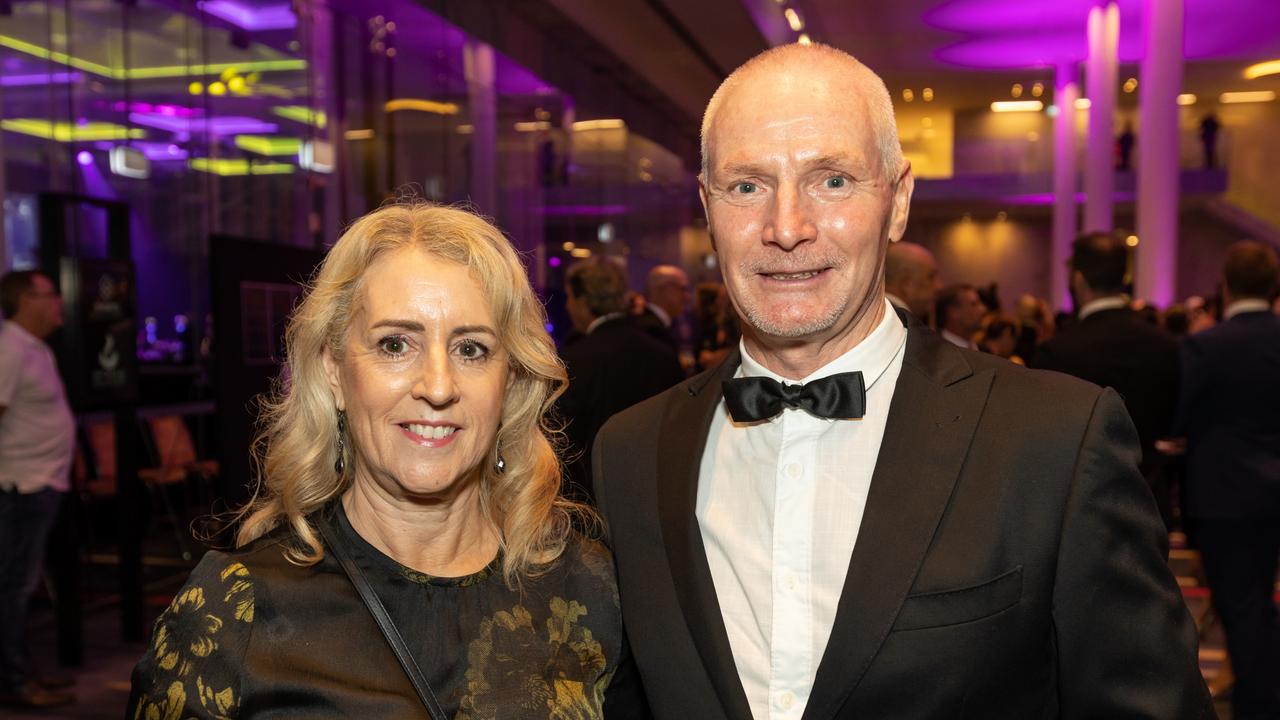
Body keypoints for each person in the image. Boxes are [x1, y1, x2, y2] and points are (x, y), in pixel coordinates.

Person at [591, 43, 1211, 719]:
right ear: (708, 208)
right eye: (748, 186)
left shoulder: (1055, 442)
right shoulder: (630, 453)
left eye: (832, 180)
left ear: (899, 201)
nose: (787, 227)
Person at [129, 204, 645, 718]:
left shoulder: (587, 584)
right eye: (395, 344)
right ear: (333, 372)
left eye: (471, 349)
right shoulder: (236, 607)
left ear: (509, 380)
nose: (438, 387)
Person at [1174, 240, 1280, 720]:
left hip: (1226, 495)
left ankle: (1259, 702)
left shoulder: (1207, 345)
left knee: (1241, 605)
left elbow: (1180, 418)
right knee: (1256, 603)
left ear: (1225, 286)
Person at [1031, 232, 1181, 528]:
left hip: (1077, 502)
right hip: (1146, 493)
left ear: (1078, 279)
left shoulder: (1058, 351)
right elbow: (1171, 417)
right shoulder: (1164, 345)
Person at [0, 271, 76, 709]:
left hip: (40, 482)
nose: (59, 302)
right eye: (50, 294)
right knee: (13, 586)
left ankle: (21, 671)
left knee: (20, 586)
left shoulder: (34, 348)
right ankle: (14, 680)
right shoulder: (9, 348)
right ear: (25, 299)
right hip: (20, 486)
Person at [556, 257, 684, 503]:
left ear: (583, 303)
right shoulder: (661, 352)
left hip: (592, 499)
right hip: (654, 493)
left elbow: (563, 442)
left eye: (570, 297)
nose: (568, 306)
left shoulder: (573, 360)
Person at [634, 264, 691, 354]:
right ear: (666, 289)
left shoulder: (648, 324)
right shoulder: (652, 331)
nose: (688, 297)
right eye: (683, 289)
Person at [882, 241, 938, 323]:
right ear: (906, 284)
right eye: (930, 277)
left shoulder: (872, 315)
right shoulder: (901, 324)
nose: (939, 286)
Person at [935, 282, 985, 349]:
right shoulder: (937, 351)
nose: (983, 309)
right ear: (953, 312)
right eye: (974, 304)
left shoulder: (980, 348)